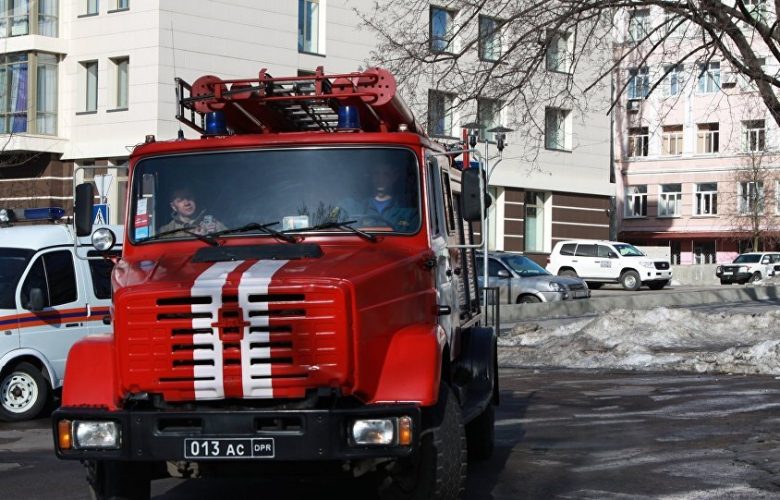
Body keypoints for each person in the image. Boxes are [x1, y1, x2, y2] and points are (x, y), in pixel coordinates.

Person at [340, 163, 418, 232]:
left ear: (394, 177)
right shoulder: (355, 206)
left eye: (386, 174)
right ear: (371, 176)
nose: (380, 178)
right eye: (376, 173)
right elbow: (337, 221)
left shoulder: (408, 211)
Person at [159, 187, 226, 235]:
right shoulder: (166, 231)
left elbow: (228, 242)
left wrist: (215, 234)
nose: (187, 203)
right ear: (173, 206)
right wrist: (195, 239)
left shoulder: (213, 224)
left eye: (189, 197)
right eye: (180, 200)